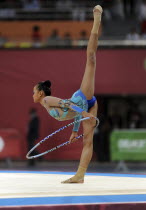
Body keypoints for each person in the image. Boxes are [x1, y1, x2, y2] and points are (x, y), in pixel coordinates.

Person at [32, 5, 102, 183]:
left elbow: (67, 104)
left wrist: (83, 113)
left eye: (34, 92)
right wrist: (75, 130)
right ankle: (80, 175)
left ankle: (96, 20)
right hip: (87, 106)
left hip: (83, 97)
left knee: (91, 59)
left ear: (40, 93)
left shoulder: (47, 100)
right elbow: (74, 112)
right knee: (87, 142)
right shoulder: (45, 104)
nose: (32, 95)